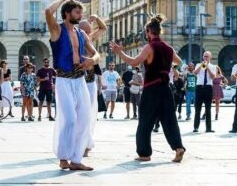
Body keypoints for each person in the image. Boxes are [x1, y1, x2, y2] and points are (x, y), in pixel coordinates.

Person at [110, 15, 185, 163]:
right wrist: (170, 67)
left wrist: (119, 52)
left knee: (145, 121)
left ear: (149, 31)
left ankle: (144, 153)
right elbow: (179, 61)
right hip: (166, 89)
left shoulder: (149, 47)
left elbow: (133, 62)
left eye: (146, 32)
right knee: (170, 120)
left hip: (151, 89)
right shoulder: (168, 48)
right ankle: (178, 148)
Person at [46, 0, 99, 171]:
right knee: (69, 119)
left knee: (84, 119)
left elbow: (96, 54)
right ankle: (63, 157)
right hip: (63, 79)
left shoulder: (81, 33)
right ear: (68, 13)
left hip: (80, 79)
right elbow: (48, 11)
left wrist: (92, 61)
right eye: (77, 12)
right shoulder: (57, 30)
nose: (80, 16)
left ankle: (76, 160)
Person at [78, 17, 106, 156]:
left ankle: (87, 144)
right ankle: (81, 143)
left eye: (89, 31)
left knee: (91, 115)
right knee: (81, 115)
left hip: (90, 81)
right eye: (86, 31)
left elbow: (103, 28)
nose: (89, 33)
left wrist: (96, 18)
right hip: (79, 79)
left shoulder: (89, 39)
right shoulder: (76, 39)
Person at [193, 51, 216, 133]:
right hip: (199, 87)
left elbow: (213, 76)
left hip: (208, 87)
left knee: (208, 109)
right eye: (204, 56)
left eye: (207, 56)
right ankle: (196, 127)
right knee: (197, 108)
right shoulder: (198, 65)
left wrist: (207, 67)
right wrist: (201, 66)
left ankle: (208, 128)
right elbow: (195, 73)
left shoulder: (213, 66)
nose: (205, 58)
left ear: (210, 57)